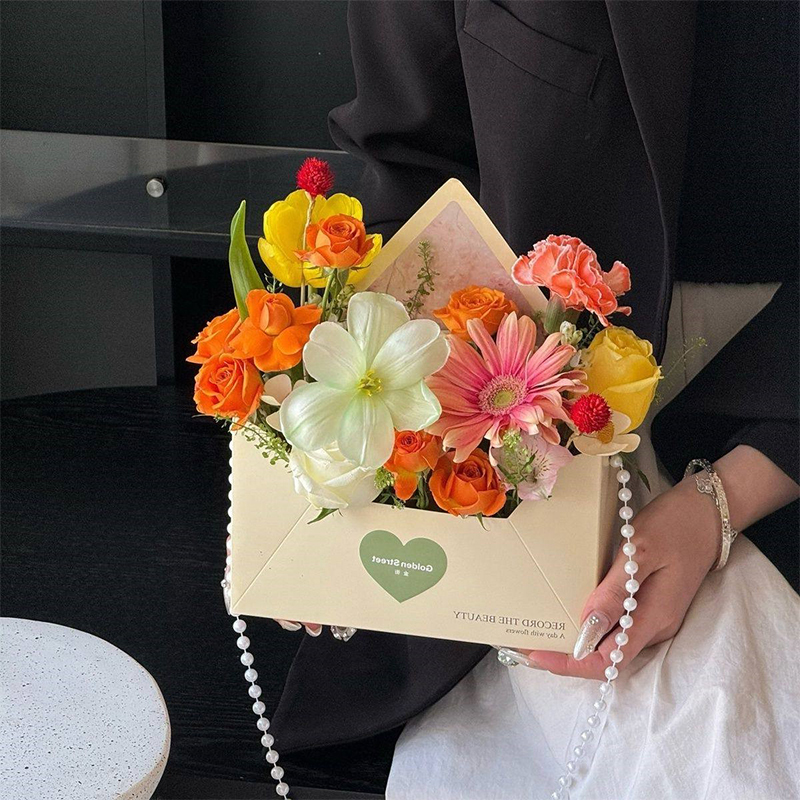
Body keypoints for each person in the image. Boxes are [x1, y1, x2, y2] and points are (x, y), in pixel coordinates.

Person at [272, 2, 799, 796]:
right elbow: (408, 163)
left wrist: (719, 503)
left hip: (774, 401)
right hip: (526, 396)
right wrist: (356, 455)